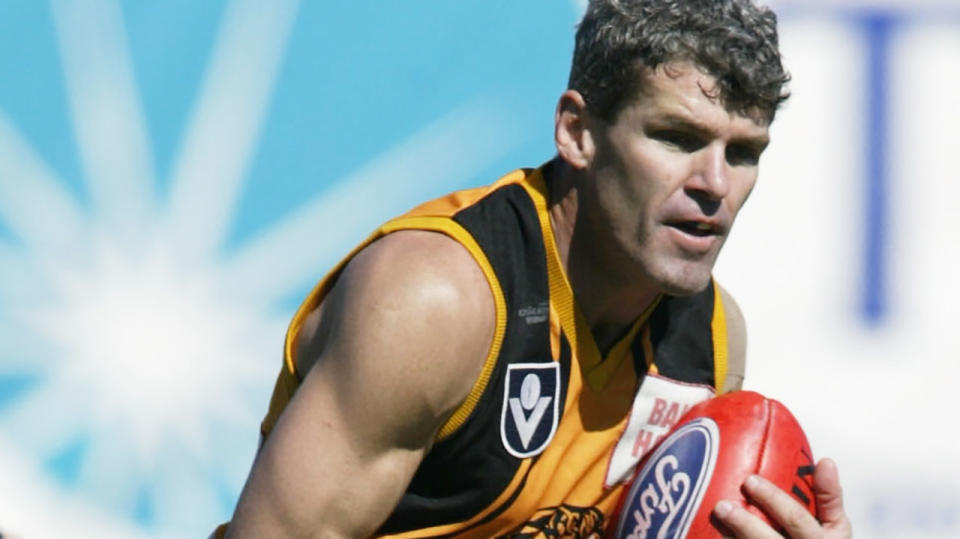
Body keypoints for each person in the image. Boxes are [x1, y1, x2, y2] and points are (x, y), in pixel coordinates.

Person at [218, 0, 852, 537]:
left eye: (743, 152)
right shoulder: (437, 301)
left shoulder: (711, 337)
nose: (715, 184)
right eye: (676, 138)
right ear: (577, 132)